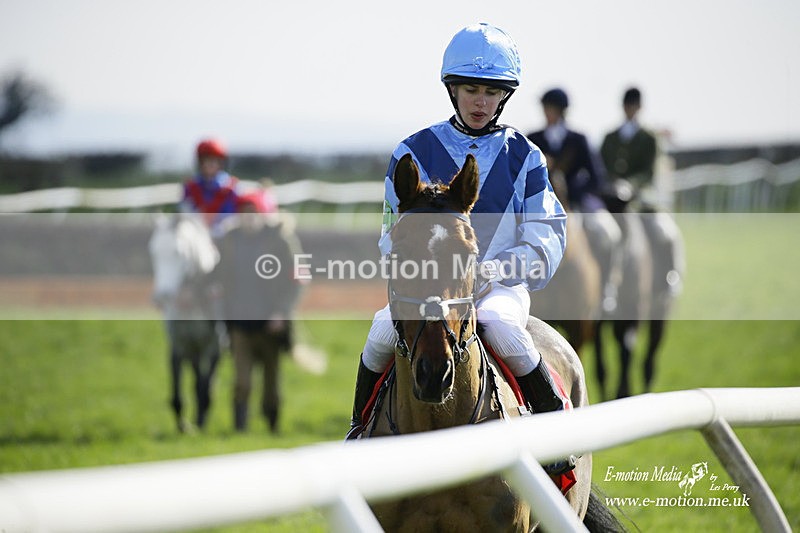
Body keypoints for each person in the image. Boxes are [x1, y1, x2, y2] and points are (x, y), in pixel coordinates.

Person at [348, 23, 573, 474]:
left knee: (503, 329)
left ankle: (558, 449)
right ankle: (357, 438)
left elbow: (549, 235)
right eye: (471, 90)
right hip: (429, 290)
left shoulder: (526, 156)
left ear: (504, 97)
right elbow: (389, 236)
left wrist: (498, 269)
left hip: (499, 288)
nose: (480, 102)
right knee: (378, 333)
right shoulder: (411, 151)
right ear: (453, 90)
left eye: (492, 93)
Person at [527, 88, 622, 313]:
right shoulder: (533, 139)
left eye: (551, 108)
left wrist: (572, 190)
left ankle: (607, 289)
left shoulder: (578, 140)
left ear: (561, 111)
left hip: (576, 205)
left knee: (608, 232)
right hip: (540, 206)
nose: (547, 113)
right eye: (545, 108)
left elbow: (596, 177)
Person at [215, 192, 303, 432]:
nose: (249, 219)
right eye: (244, 214)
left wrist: (281, 312)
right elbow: (217, 274)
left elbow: (299, 278)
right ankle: (239, 429)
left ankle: (272, 426)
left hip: (271, 325)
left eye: (254, 214)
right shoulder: (229, 241)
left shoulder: (281, 240)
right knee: (241, 382)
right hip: (239, 324)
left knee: (271, 385)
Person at [180, 138, 243, 238]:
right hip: (198, 236)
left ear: (221, 163)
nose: (211, 164)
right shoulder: (191, 187)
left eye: (215, 160)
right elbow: (186, 211)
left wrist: (223, 228)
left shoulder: (231, 186)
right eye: (207, 160)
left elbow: (235, 215)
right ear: (200, 163)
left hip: (226, 236)